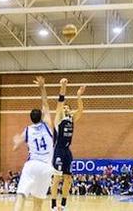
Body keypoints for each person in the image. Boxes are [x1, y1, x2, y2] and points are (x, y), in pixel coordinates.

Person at [11, 76, 58, 211]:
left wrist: (16, 142)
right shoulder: (48, 125)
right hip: (45, 168)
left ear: (31, 118)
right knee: (38, 202)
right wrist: (42, 87)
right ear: (41, 116)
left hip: (32, 165)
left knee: (21, 195)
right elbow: (45, 103)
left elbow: (15, 147)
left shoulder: (27, 130)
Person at [50, 78, 86, 211]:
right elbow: (60, 103)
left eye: (67, 107)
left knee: (68, 178)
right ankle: (53, 205)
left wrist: (78, 96)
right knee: (57, 178)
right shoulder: (59, 119)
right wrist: (63, 87)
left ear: (69, 110)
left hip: (67, 151)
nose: (65, 108)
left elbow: (81, 110)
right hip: (58, 150)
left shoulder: (71, 119)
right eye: (64, 107)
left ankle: (63, 204)